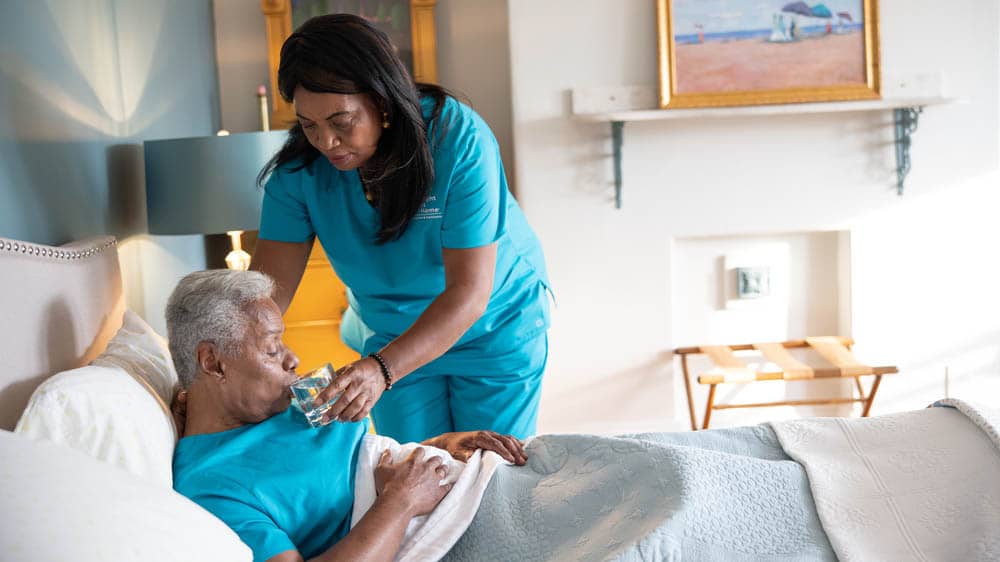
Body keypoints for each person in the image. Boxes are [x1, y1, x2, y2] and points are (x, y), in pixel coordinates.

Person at [250, 13, 551, 444]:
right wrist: (224, 372)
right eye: (309, 124)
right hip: (392, 336)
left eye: (341, 121)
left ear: (383, 101)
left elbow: (469, 294)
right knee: (413, 469)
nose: (326, 142)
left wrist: (381, 369)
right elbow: (265, 299)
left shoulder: (457, 138)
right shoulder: (299, 174)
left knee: (490, 474)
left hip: (493, 326)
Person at [168, 270, 527, 562]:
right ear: (213, 362)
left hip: (459, 480)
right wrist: (400, 503)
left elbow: (363, 457)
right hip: (434, 522)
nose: (292, 359)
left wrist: (446, 445)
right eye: (272, 348)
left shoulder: (286, 403)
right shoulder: (212, 485)